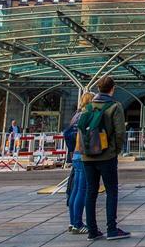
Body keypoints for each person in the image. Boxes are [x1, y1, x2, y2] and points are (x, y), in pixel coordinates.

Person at [81, 76, 130, 241]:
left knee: (91, 192)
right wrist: (115, 150)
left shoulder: (87, 107)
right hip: (106, 155)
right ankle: (112, 229)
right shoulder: (115, 106)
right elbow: (120, 132)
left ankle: (92, 230)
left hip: (87, 156)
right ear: (112, 89)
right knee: (111, 191)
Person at [65, 92, 95, 235]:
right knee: (82, 190)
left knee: (75, 189)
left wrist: (71, 152)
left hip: (75, 155)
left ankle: (72, 222)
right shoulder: (86, 115)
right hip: (83, 154)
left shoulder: (76, 115)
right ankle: (77, 223)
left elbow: (68, 133)